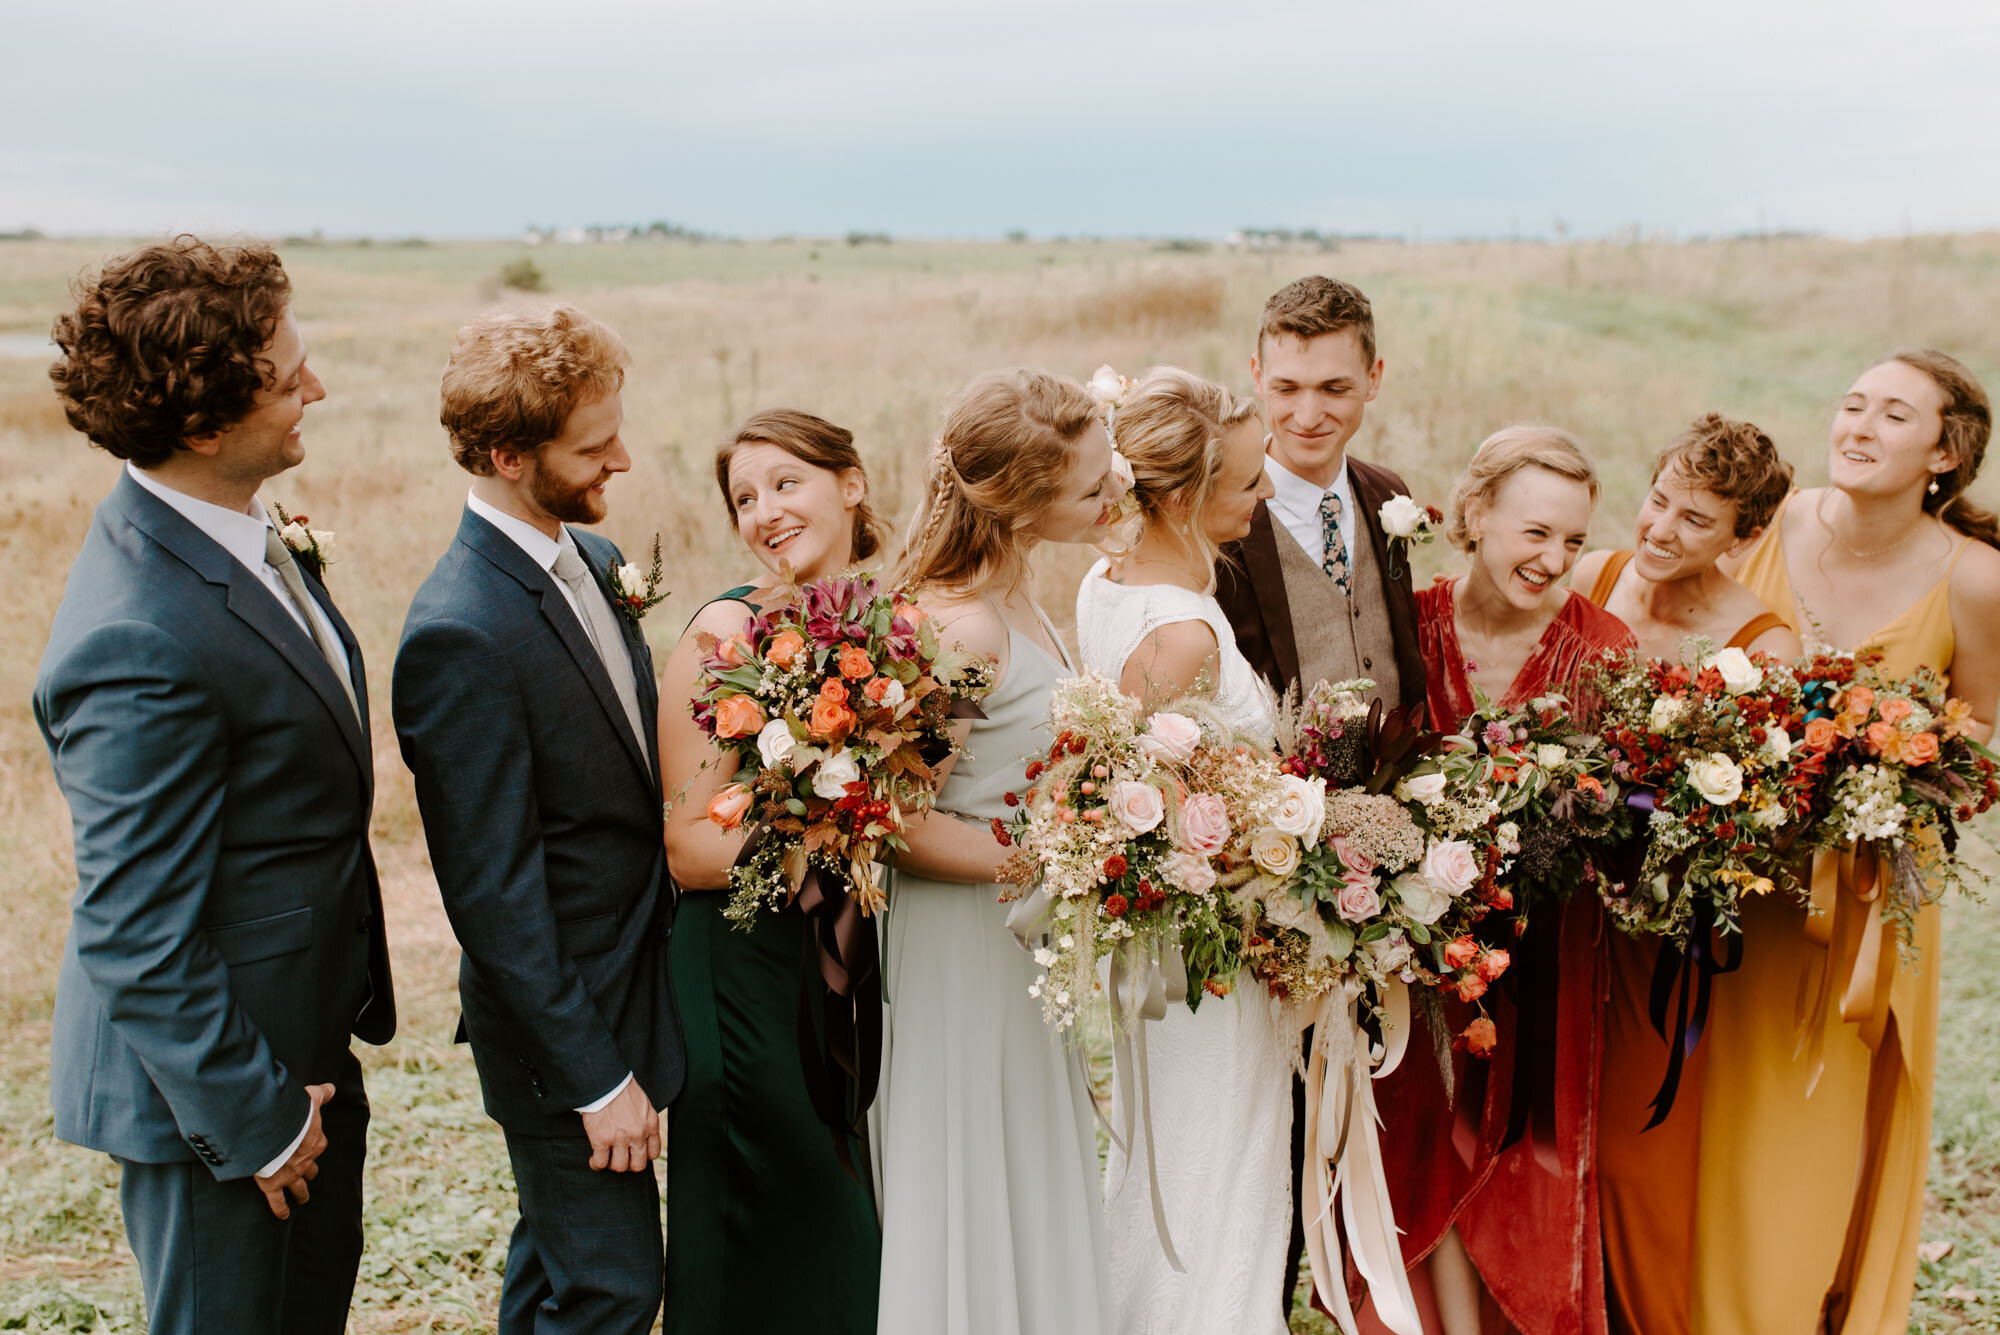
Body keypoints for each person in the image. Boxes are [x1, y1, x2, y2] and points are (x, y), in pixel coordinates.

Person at [34, 235, 396, 1334]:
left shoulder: (230, 530)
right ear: (201, 426)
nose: (315, 390)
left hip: (301, 1035)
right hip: (219, 1094)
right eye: (290, 379)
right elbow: (134, 927)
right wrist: (261, 1121)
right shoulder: (136, 636)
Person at [392, 304, 683, 1335]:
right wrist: (594, 1080)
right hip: (564, 1028)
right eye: (594, 448)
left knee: (555, 1272)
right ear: (511, 456)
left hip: (635, 985)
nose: (625, 461)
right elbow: (493, 897)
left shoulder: (596, 567)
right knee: (610, 1291)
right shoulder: (460, 632)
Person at [1698, 350, 2000, 1332]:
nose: (1857, 427)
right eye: (1850, 404)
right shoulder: (1776, 524)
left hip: (1861, 907)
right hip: (1728, 879)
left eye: (1891, 416)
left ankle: (1790, 1309)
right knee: (1704, 1118)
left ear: (1943, 456)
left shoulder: (1975, 581)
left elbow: (1980, 746)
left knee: (1811, 1126)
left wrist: (1878, 783)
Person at [873, 367, 1122, 1335]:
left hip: (1011, 944)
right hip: (954, 953)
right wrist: (1056, 857)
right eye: (1090, 486)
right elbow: (897, 820)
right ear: (1021, 502)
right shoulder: (962, 626)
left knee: (1022, 1154)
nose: (1112, 495)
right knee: (969, 1159)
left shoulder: (1016, 595)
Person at [1371, 426, 1631, 1335]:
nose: (1556, 558)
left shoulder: (1602, 647)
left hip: (1544, 961)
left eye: (1573, 539)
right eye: (1536, 531)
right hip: (1410, 949)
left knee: (1524, 1153)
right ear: (1475, 513)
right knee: (1420, 1142)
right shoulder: (1403, 625)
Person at [1213, 275, 1428, 1313]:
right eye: (1286, 386)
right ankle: (1268, 1284)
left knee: (1364, 1078)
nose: (1307, 414)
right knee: (1268, 1096)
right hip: (1262, 854)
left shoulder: (1386, 495)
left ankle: (1351, 1279)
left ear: (1372, 380)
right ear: (1253, 377)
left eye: (1333, 388)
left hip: (1381, 849)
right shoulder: (1219, 517)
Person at [1074, 367, 1295, 1334]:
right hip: (1210, 964)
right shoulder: (1179, 634)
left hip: (1195, 948)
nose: (1268, 493)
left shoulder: (1108, 576)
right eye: (1250, 481)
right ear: (1184, 495)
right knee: (1219, 1163)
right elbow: (1115, 800)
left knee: (1187, 1162)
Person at [658, 409, 885, 1334]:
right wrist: (836, 840)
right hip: (747, 972)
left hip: (846, 972)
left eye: (786, 483)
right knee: (780, 1225)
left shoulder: (888, 625)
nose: (764, 511)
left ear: (852, 482)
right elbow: (691, 845)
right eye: (745, 498)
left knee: (845, 1233)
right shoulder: (728, 628)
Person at [1571, 413, 1798, 1335]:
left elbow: (1767, 820)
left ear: (1746, 536)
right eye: (1658, 499)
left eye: (1695, 520)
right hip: (1545, 906)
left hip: (1656, 930)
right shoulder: (1597, 577)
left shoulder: (1763, 642)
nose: (1659, 529)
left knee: (1634, 1153)